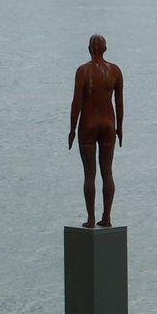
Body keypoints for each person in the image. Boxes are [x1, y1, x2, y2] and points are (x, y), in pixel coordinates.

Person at [69, 35, 124, 228]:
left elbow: (76, 103)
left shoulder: (83, 71)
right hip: (109, 124)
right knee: (107, 172)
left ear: (89, 49)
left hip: (88, 125)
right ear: (105, 49)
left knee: (89, 173)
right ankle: (107, 217)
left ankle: (91, 218)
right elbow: (119, 103)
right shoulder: (115, 71)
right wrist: (120, 128)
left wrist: (72, 129)